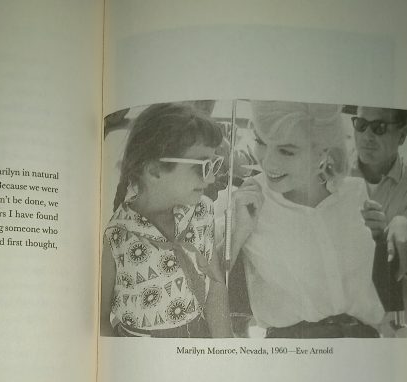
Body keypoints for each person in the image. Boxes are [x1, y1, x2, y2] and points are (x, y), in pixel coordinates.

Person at [231, 101, 384, 338]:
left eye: (286, 151)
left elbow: (381, 284)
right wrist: (238, 233)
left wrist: (383, 237)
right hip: (292, 348)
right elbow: (204, 282)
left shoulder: (357, 194)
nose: (267, 161)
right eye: (261, 142)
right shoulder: (247, 202)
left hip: (364, 341)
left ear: (323, 152)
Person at [100, 102, 231, 337]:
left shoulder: (202, 212)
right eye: (202, 166)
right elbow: (100, 318)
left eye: (214, 165)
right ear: (154, 170)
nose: (211, 178)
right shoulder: (116, 234)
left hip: (197, 337)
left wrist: (225, 350)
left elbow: (215, 286)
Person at [350, 106, 407, 330]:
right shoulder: (331, 168)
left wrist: (400, 226)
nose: (366, 136)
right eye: (361, 125)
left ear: (402, 135)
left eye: (379, 127)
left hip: (387, 297)